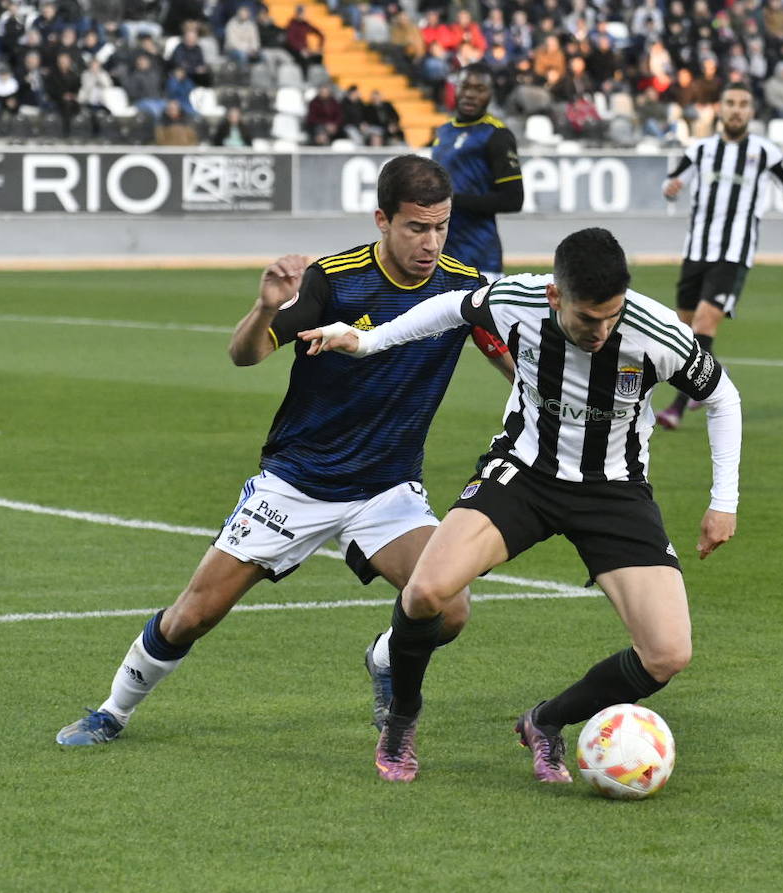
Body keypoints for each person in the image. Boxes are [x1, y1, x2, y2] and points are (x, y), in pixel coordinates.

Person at [54, 155, 513, 745]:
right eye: (416, 227)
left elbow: (516, 367)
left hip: (386, 489)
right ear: (382, 220)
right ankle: (111, 712)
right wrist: (267, 306)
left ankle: (385, 657)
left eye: (441, 226)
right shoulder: (334, 278)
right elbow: (245, 355)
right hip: (298, 481)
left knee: (447, 607)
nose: (431, 242)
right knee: (194, 613)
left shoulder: (461, 287)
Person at [299, 227, 742, 784]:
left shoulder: (658, 333)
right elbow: (447, 309)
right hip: (525, 475)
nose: (603, 331)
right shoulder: (517, 300)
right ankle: (402, 720)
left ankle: (545, 721)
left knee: (667, 654)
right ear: (556, 298)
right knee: (426, 591)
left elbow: (722, 396)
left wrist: (722, 501)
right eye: (588, 319)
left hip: (614, 491)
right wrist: (366, 341)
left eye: (612, 316)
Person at [656, 82, 783, 430]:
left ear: (751, 111)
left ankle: (677, 407)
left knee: (703, 325)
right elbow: (671, 184)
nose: (736, 110)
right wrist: (670, 190)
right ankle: (716, 371)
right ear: (720, 108)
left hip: (734, 253)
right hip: (695, 251)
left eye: (743, 104)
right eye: (730, 103)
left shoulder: (764, 152)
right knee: (684, 334)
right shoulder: (701, 150)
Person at [429, 63, 524, 279]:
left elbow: (513, 199)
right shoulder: (444, 132)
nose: (470, 94)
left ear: (491, 94)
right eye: (465, 86)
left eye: (480, 89)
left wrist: (451, 201)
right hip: (440, 258)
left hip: (479, 259)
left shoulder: (497, 135)